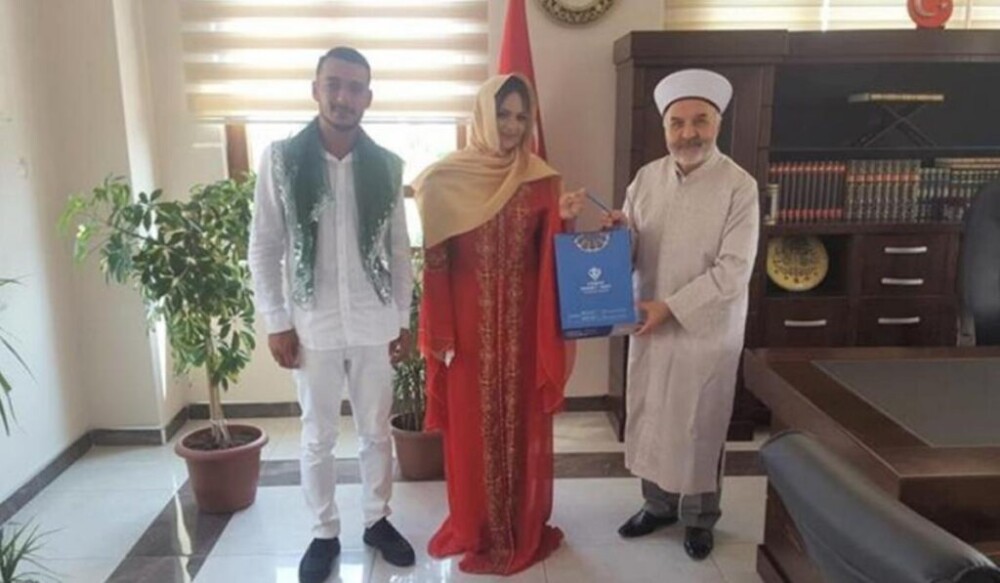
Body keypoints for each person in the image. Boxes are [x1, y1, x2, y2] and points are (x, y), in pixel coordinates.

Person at [248, 46, 416, 583]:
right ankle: (323, 532)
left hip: (373, 322)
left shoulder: (386, 166)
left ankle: (376, 520)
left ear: (369, 97)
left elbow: (398, 251)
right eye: (334, 85)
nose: (344, 97)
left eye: (355, 87)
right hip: (312, 324)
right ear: (316, 89)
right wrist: (276, 321)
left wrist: (403, 319)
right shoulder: (282, 160)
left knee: (375, 432)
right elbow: (264, 245)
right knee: (317, 435)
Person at [412, 73, 584, 575]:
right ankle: (476, 524)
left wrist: (565, 219)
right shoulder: (444, 180)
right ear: (483, 115)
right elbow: (436, 262)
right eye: (503, 113)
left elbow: (550, 256)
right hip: (467, 332)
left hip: (525, 328)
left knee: (520, 422)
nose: (511, 125)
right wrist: (440, 331)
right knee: (472, 426)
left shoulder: (541, 179)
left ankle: (519, 522)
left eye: (521, 116)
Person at [603, 68, 760, 560]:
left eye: (700, 120)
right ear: (665, 127)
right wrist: (618, 236)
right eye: (677, 122)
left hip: (705, 328)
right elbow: (632, 251)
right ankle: (657, 505)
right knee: (653, 415)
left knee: (700, 422)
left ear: (718, 123)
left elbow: (733, 271)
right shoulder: (646, 179)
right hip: (649, 321)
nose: (688, 133)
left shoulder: (739, 186)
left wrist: (671, 307)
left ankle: (699, 518)